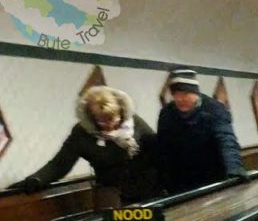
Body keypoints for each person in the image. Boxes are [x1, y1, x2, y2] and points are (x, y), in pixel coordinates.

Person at [8, 86, 160, 204]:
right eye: (101, 121)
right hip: (111, 192)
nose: (109, 125)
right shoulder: (82, 133)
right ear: (92, 118)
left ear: (121, 112)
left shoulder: (136, 124)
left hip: (148, 191)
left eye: (112, 119)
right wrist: (36, 179)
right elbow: (60, 164)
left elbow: (158, 152)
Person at [154, 68, 247, 193]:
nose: (180, 99)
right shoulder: (167, 113)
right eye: (176, 94)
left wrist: (235, 170)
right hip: (180, 180)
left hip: (213, 176)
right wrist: (162, 182)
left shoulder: (214, 109)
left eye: (185, 94)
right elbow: (163, 148)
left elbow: (226, 140)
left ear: (196, 93)